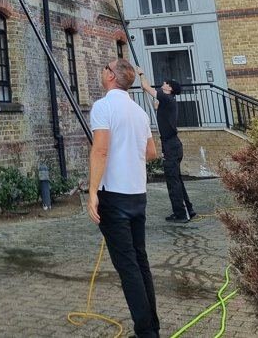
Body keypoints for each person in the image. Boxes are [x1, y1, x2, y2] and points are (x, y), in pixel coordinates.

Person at [88, 58, 160, 338]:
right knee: (139, 261)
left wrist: (93, 193)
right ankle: (151, 326)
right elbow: (151, 152)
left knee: (128, 266)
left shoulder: (103, 106)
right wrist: (128, 149)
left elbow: (100, 151)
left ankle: (146, 332)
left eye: (105, 67)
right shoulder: (139, 112)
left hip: (114, 197)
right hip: (137, 195)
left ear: (110, 76)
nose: (102, 70)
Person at [136, 69, 195, 222]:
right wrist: (157, 103)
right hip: (172, 145)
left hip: (171, 146)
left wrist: (141, 74)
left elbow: (146, 87)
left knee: (173, 182)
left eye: (165, 83)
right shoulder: (168, 101)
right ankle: (188, 209)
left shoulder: (167, 98)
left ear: (169, 89)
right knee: (177, 180)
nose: (163, 84)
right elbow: (157, 107)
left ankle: (182, 214)